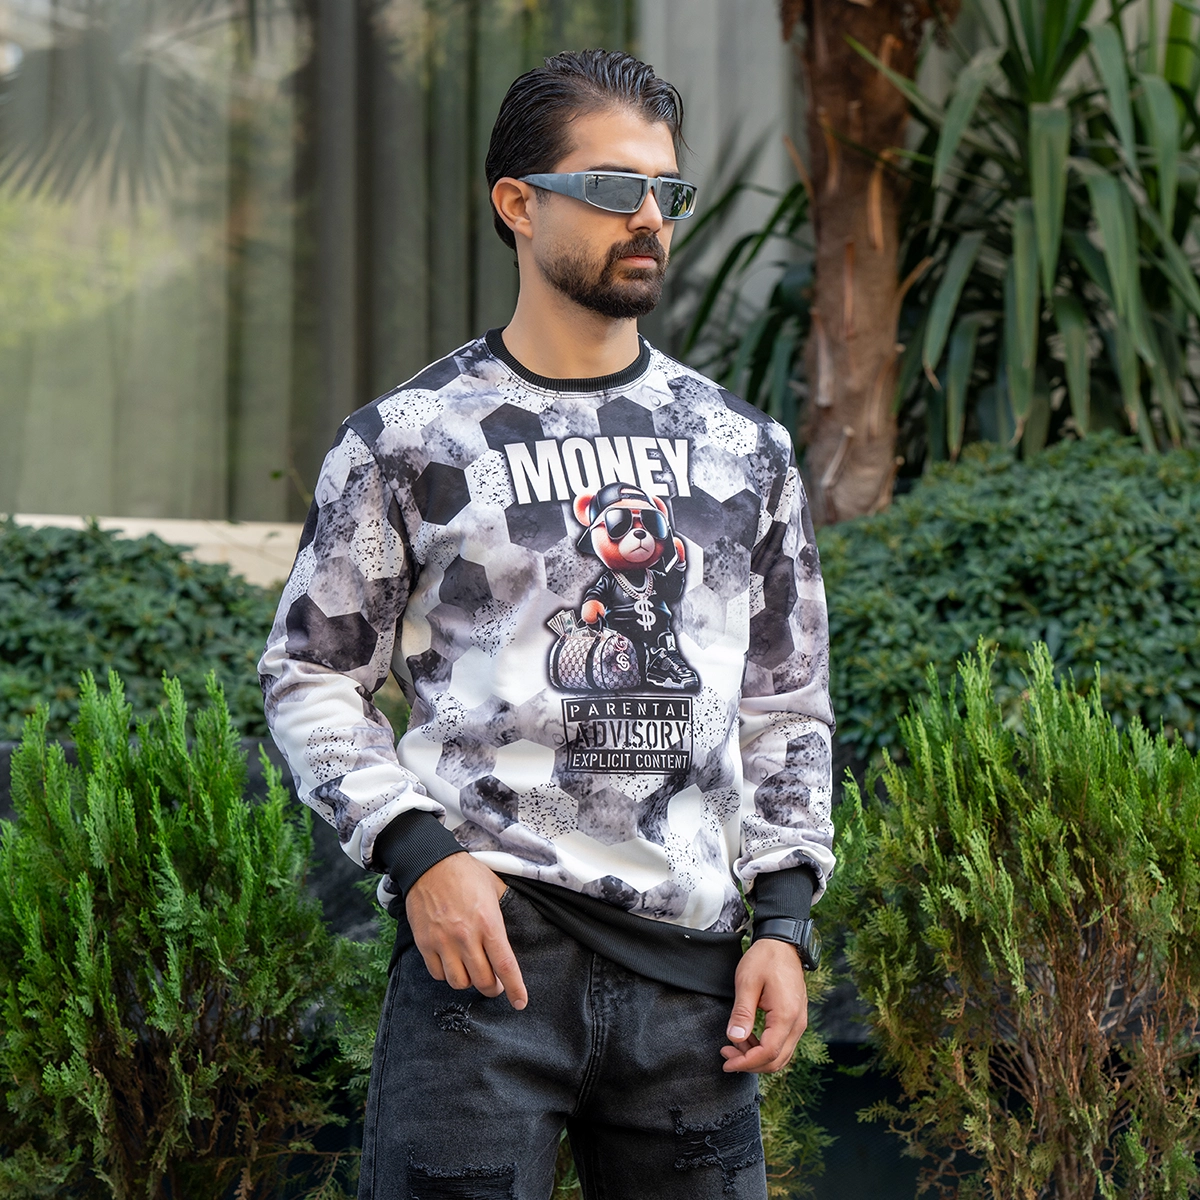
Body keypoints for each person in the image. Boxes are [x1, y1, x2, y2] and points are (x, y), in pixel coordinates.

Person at [260, 48, 835, 1200]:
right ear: (518, 204)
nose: (649, 219)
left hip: (693, 983)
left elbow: (785, 704)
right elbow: (311, 675)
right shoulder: (410, 439)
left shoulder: (743, 450)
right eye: (613, 188)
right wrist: (416, 853)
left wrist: (783, 923)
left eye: (666, 191)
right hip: (484, 967)